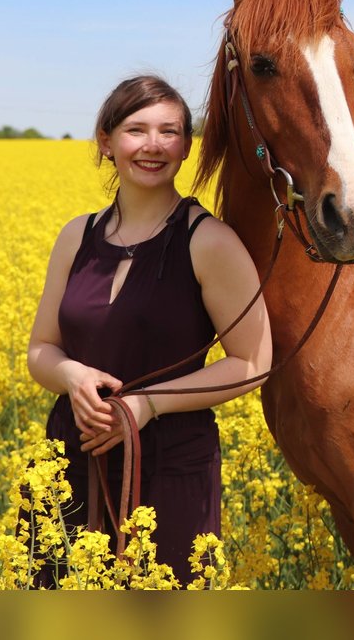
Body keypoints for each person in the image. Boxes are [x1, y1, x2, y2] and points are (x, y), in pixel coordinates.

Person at [27, 75, 272, 586]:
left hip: (169, 463)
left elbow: (252, 363)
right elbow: (41, 349)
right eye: (137, 130)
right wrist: (71, 375)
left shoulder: (209, 242)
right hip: (72, 453)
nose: (154, 145)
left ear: (186, 147)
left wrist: (147, 404)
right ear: (107, 142)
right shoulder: (77, 236)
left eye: (170, 132)